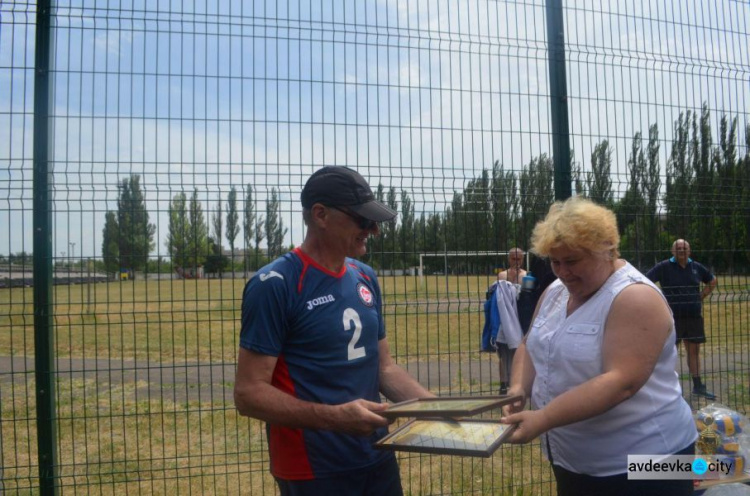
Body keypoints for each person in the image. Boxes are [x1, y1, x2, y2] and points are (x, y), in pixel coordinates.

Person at [234, 166, 433, 496]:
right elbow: (248, 393)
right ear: (321, 215)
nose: (373, 230)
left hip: (377, 454)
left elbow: (384, 368)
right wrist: (333, 418)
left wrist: (440, 409)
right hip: (314, 470)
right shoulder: (275, 285)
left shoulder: (365, 277)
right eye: (362, 219)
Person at [501, 197, 696, 496]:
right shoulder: (556, 291)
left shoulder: (635, 297)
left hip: (651, 462)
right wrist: (518, 388)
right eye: (555, 262)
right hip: (575, 461)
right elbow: (530, 342)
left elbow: (620, 382)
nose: (562, 272)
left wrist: (543, 418)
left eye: (572, 261)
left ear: (606, 248)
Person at [646, 239, 718, 399]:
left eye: (684, 248)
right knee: (670, 352)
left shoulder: (696, 267)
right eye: (678, 248)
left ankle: (698, 386)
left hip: (693, 316)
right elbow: (646, 280)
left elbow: (712, 280)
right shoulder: (664, 267)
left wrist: (702, 295)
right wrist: (658, 301)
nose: (681, 251)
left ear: (689, 251)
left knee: (694, 351)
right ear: (673, 251)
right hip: (672, 318)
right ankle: (665, 388)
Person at [493, 248, 528, 393]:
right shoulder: (502, 275)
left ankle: (518, 382)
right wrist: (511, 278)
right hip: (505, 320)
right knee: (503, 353)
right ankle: (503, 384)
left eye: (519, 259)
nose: (516, 262)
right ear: (509, 259)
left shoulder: (527, 275)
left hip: (521, 319)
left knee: (520, 352)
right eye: (513, 259)